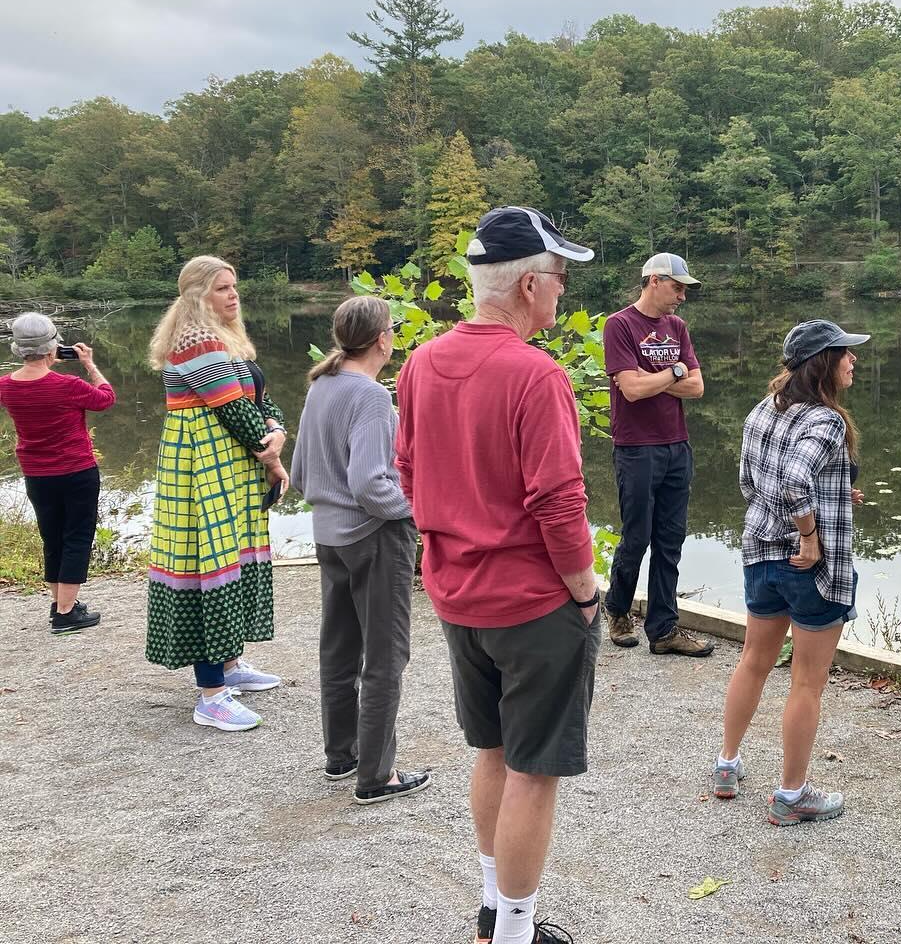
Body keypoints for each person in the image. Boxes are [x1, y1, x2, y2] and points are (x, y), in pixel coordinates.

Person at [396, 206, 600, 944]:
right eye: (560, 279)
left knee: (491, 751)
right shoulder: (535, 374)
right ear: (528, 287)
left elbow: (408, 472)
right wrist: (585, 593)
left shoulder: (421, 361)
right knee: (533, 769)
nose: (563, 295)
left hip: (457, 596)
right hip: (531, 604)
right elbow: (559, 501)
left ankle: (493, 914)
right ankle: (515, 932)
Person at [715, 318, 869, 827]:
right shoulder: (825, 421)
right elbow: (795, 480)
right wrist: (808, 534)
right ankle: (791, 796)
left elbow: (751, 480)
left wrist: (835, 495)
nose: (853, 361)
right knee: (806, 682)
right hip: (811, 568)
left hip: (761, 555)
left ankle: (727, 766)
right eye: (846, 353)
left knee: (753, 661)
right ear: (823, 362)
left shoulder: (764, 410)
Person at [291, 295, 428, 805]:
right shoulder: (370, 396)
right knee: (387, 655)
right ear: (382, 339)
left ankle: (342, 754)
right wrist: (417, 510)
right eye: (392, 329)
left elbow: (302, 472)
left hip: (328, 534)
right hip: (373, 536)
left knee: (340, 648)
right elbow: (371, 484)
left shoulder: (321, 385)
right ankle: (376, 775)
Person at [146, 256, 289, 733]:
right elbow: (232, 408)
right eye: (222, 289)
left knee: (231, 555)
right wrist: (272, 456)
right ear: (196, 296)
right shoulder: (196, 340)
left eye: (235, 287)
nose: (233, 295)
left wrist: (277, 429)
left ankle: (228, 665)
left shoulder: (227, 339)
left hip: (229, 465)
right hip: (202, 466)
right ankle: (210, 694)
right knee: (208, 563)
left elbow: (258, 397)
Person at [600, 252, 711, 658]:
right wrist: (675, 373)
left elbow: (697, 387)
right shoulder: (620, 325)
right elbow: (630, 390)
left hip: (676, 445)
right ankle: (617, 609)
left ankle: (664, 630)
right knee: (636, 536)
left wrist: (657, 380)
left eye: (684, 289)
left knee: (670, 539)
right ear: (653, 281)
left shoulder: (677, 327)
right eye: (677, 287)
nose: (681, 296)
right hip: (635, 447)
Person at [0, 313, 114, 633]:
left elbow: (31, 386)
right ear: (53, 349)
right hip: (76, 471)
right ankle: (65, 614)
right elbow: (106, 398)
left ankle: (60, 602)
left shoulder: (6, 387)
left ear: (18, 349)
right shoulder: (68, 385)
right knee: (77, 536)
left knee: (52, 536)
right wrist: (89, 365)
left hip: (36, 475)